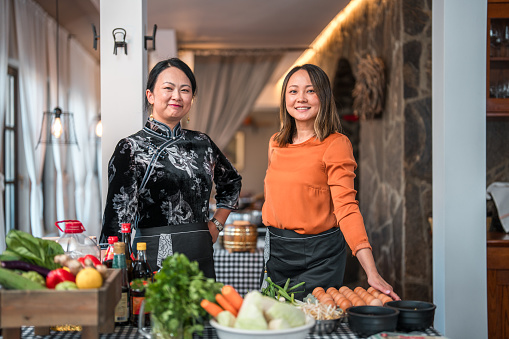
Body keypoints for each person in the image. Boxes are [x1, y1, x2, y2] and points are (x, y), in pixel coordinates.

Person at [261, 64, 399, 300]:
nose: (301, 98)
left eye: (310, 91)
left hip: (320, 258)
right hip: (278, 252)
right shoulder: (276, 143)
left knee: (316, 326)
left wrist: (371, 271)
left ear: (323, 96)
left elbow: (346, 208)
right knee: (278, 326)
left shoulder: (336, 144)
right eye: (293, 91)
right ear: (285, 98)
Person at [100, 58, 242, 279]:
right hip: (153, 253)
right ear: (151, 95)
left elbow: (231, 182)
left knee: (202, 311)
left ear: (191, 100)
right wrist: (111, 265)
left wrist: (216, 224)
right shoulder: (131, 147)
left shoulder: (202, 142)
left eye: (185, 90)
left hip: (199, 250)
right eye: (168, 88)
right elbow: (118, 215)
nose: (177, 96)